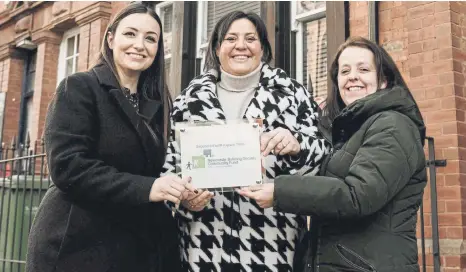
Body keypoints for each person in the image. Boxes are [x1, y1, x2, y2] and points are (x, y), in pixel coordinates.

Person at [26, 3, 195, 272]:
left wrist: (187, 190)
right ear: (111, 38)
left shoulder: (159, 104)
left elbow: (165, 167)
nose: (140, 45)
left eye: (150, 38)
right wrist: (150, 188)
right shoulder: (79, 87)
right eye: (130, 34)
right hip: (79, 246)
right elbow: (68, 167)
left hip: (136, 247)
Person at [240, 36, 427, 272]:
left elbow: (358, 195)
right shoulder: (349, 130)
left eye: (364, 69)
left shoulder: (393, 125)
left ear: (383, 80)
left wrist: (280, 191)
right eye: (344, 71)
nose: (352, 77)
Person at [162, 11, 329, 271]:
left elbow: (324, 159)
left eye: (250, 38)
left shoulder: (293, 94)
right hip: (204, 244)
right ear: (217, 48)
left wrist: (297, 145)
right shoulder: (189, 100)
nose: (241, 45)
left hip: (274, 243)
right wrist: (184, 199)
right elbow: (170, 167)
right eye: (231, 38)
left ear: (262, 47)